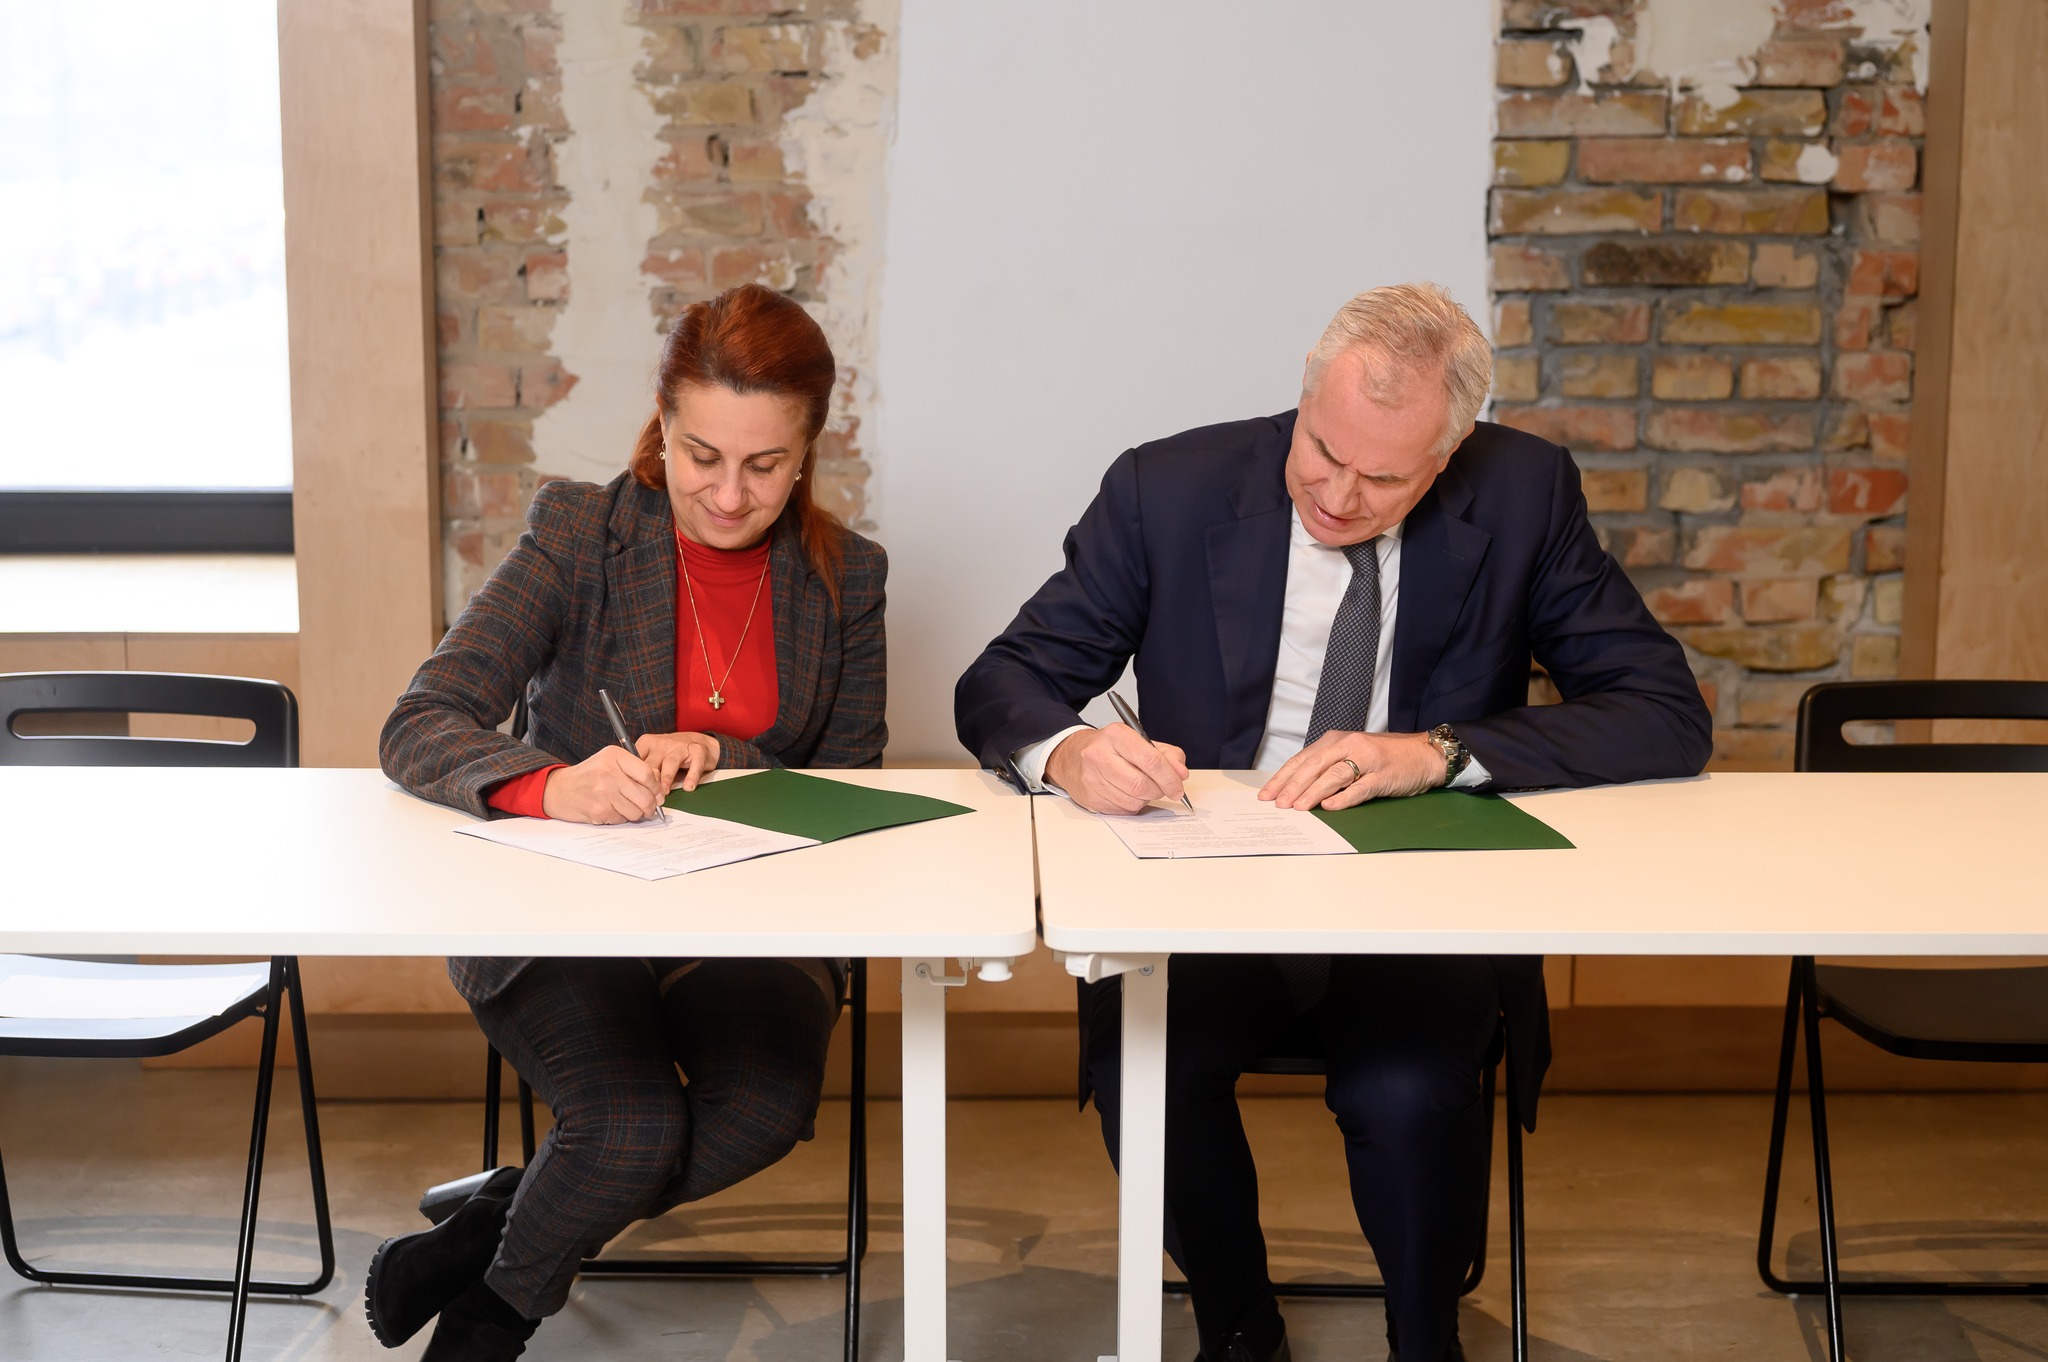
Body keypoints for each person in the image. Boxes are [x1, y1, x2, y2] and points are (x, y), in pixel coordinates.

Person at [956, 283, 1711, 1362]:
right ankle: (1239, 1329)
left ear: (1448, 454)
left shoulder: (1523, 493)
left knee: (1406, 1090)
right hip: (1209, 885)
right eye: (1321, 451)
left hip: (1416, 897)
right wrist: (1071, 753)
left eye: (1385, 479)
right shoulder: (1165, 488)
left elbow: (1663, 712)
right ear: (1304, 398)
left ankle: (1423, 1345)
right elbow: (1004, 680)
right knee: (1147, 1064)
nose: (1340, 496)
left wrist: (1435, 753)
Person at [369, 283, 886, 1361]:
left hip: (748, 923)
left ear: (808, 450)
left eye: (765, 465)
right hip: (567, 913)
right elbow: (421, 720)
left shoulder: (846, 579)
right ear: (662, 421)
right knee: (629, 1125)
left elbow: (851, 781)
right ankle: (487, 1329)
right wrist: (550, 785)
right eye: (702, 456)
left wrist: (730, 759)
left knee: (760, 1110)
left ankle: (498, 1219)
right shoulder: (578, 533)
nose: (730, 495)